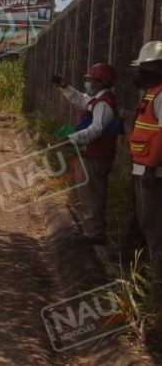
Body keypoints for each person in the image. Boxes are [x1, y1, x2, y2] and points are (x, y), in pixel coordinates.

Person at [53, 63, 119, 244]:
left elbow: (96, 130)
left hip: (96, 157)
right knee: (87, 194)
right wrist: (65, 87)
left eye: (91, 80)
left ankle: (94, 233)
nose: (88, 83)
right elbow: (80, 99)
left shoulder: (104, 104)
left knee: (92, 195)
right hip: (91, 155)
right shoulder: (97, 100)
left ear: (101, 82)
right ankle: (91, 230)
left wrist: (71, 139)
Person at [130, 41, 162, 274]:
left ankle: (156, 279)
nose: (140, 71)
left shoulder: (161, 95)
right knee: (145, 224)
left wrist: (150, 169)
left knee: (153, 227)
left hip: (153, 173)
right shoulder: (152, 93)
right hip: (142, 169)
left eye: (146, 66)